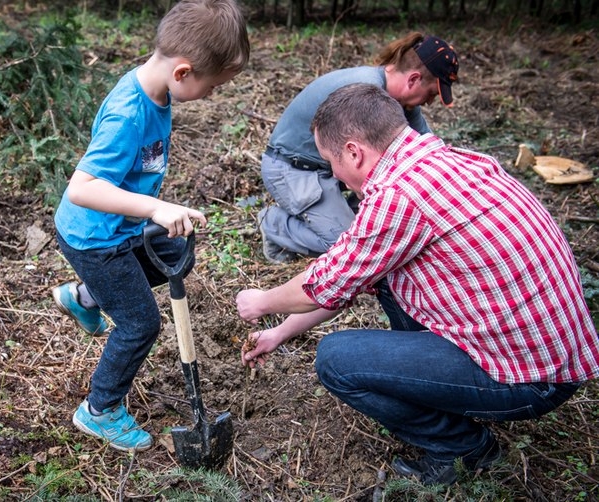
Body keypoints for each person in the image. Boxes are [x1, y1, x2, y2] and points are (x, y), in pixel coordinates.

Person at [236, 83, 599, 485]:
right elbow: (347, 277)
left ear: (354, 152)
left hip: (532, 379)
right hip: (547, 355)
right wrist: (279, 333)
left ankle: (463, 447)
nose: (333, 175)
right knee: (386, 280)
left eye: (329, 161)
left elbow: (321, 285)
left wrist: (262, 302)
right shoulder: (451, 161)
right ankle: (443, 393)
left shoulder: (398, 197)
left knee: (336, 360)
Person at [51, 0, 250, 452]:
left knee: (177, 259)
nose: (213, 94)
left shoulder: (156, 91)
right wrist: (155, 209)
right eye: (213, 86)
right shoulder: (130, 112)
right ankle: (99, 410)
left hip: (116, 230)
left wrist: (152, 210)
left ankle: (83, 296)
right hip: (94, 238)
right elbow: (83, 187)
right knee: (140, 324)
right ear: (183, 72)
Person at [258, 32, 459, 264]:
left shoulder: (399, 102)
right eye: (432, 93)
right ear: (413, 80)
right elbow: (368, 165)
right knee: (349, 246)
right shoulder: (365, 95)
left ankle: (332, 213)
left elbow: (424, 146)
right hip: (292, 169)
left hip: (330, 169)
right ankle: (275, 224)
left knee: (377, 228)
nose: (430, 101)